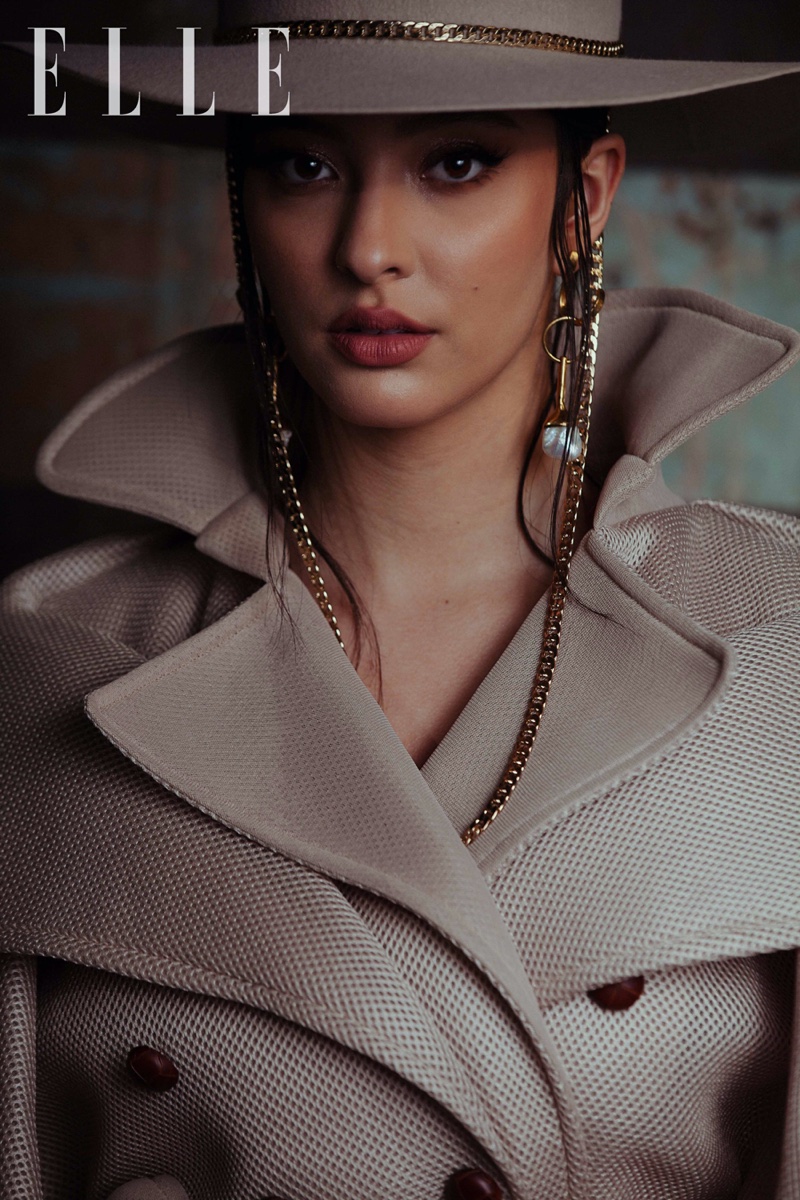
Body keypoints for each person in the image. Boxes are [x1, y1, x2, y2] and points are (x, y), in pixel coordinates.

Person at [2, 4, 800, 1199]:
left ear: (583, 196)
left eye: (457, 160)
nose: (368, 244)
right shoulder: (55, 655)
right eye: (304, 163)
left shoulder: (774, 640)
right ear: (243, 199)